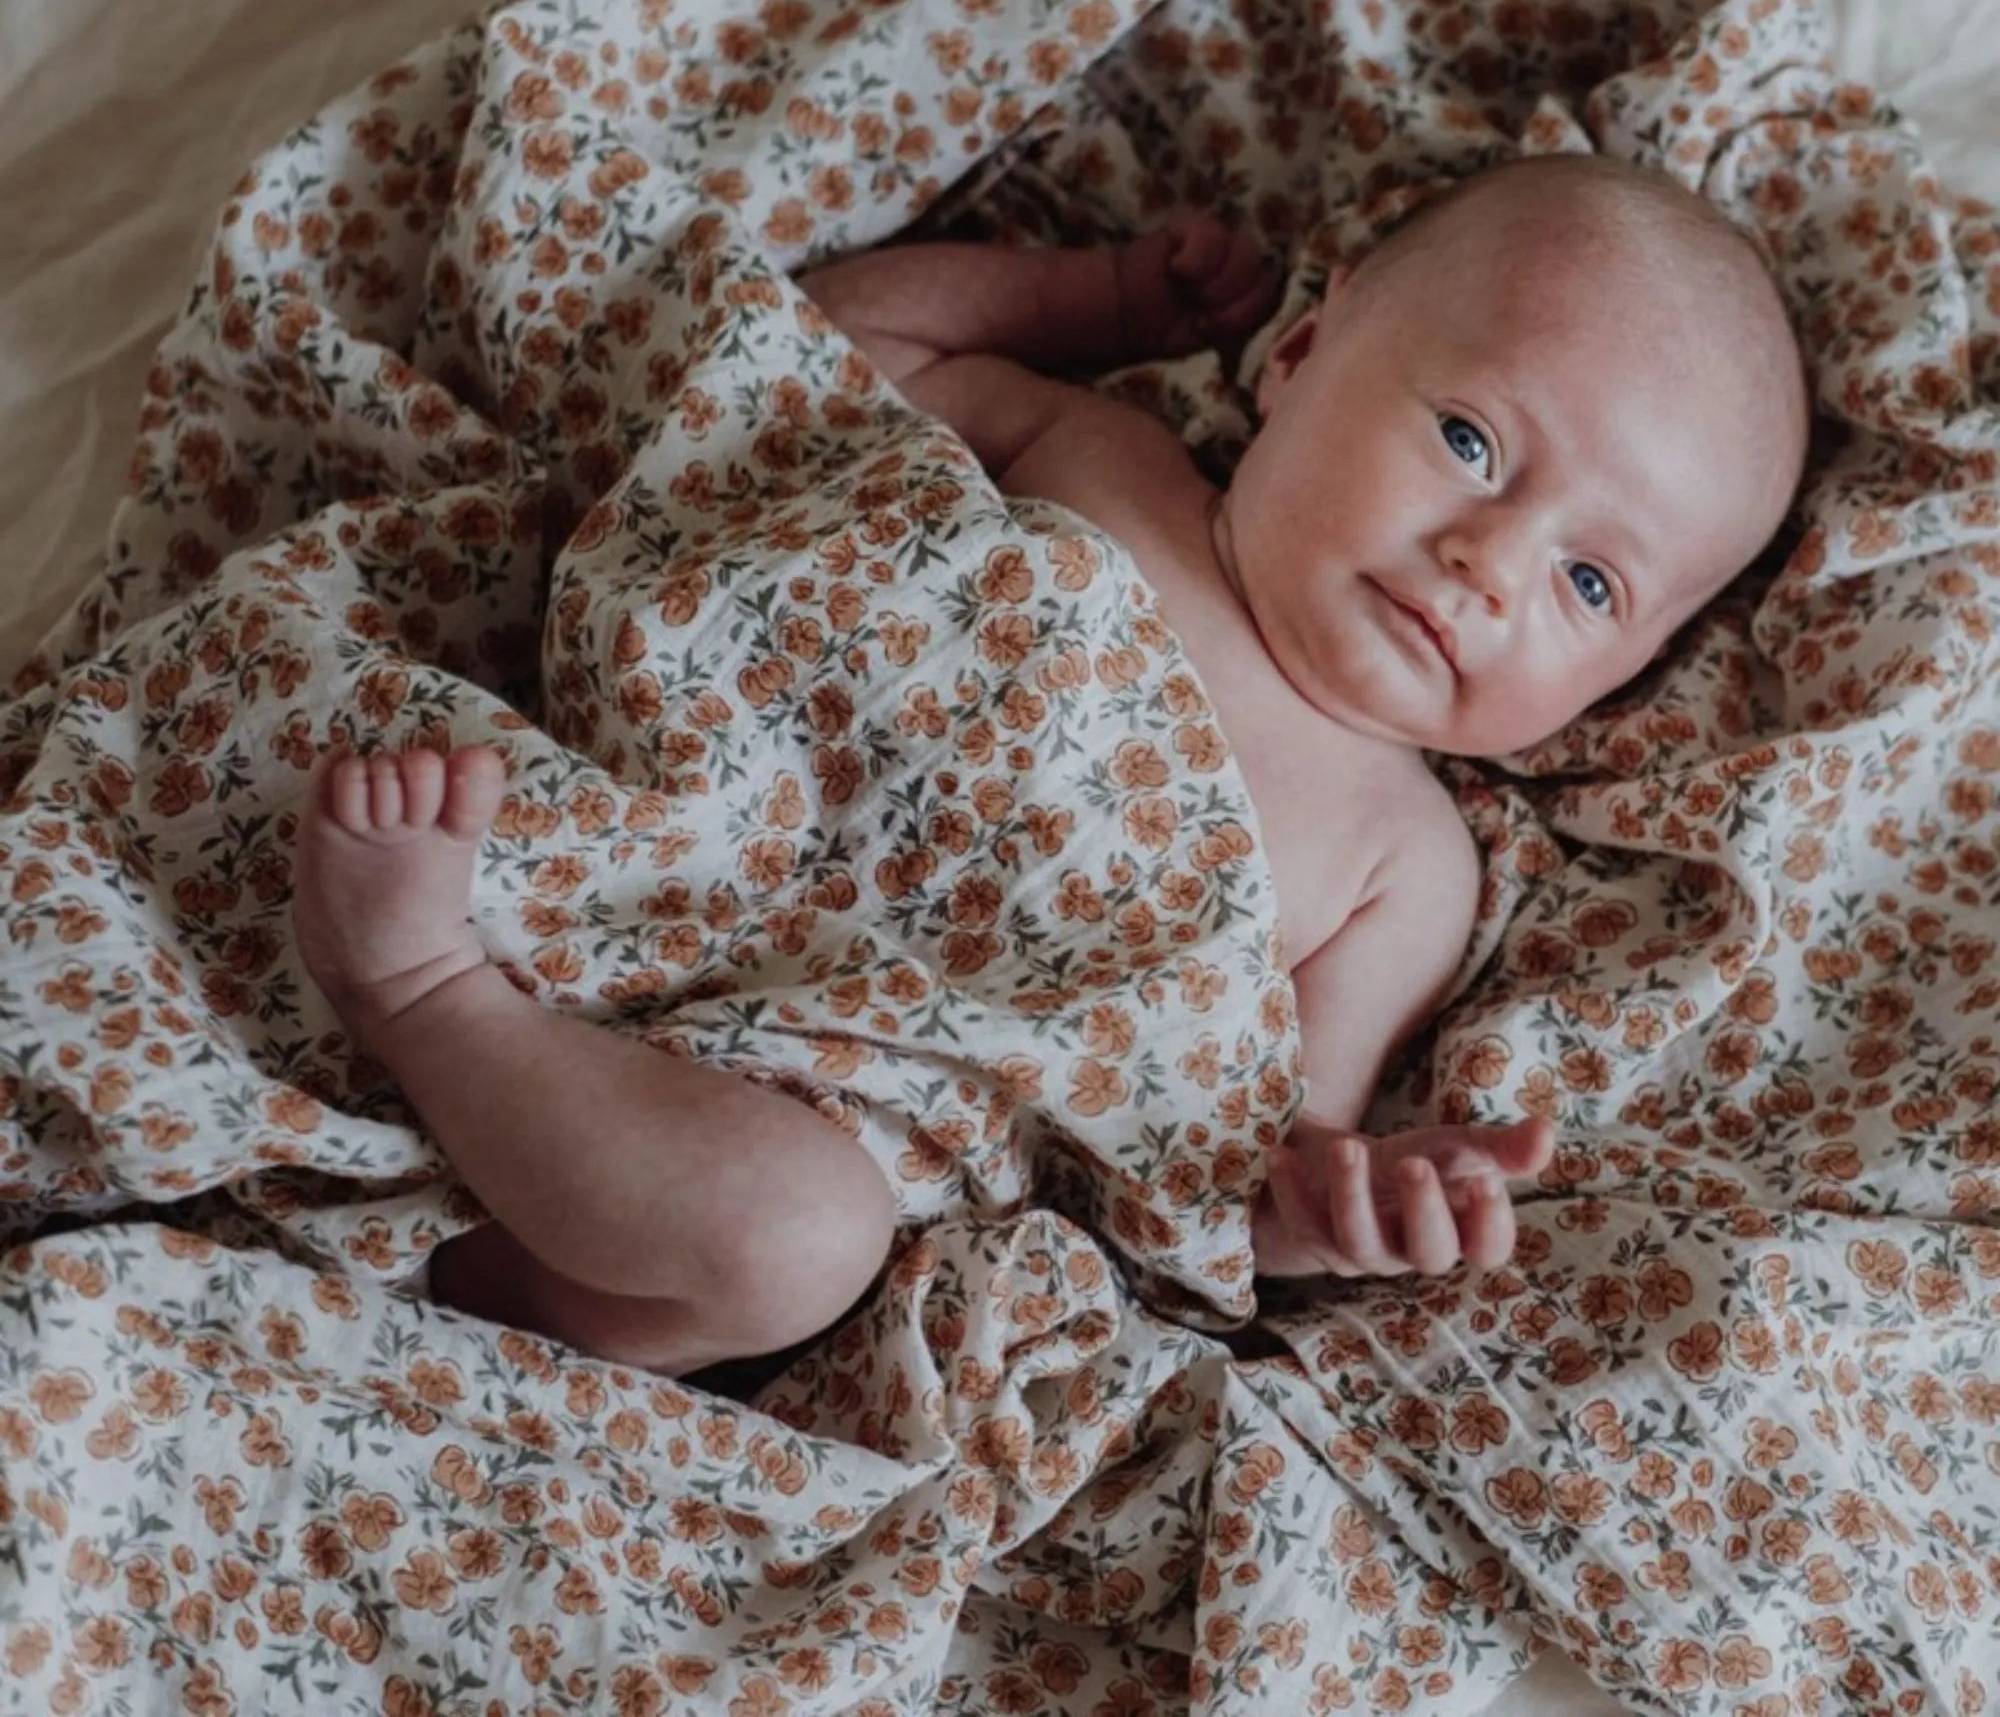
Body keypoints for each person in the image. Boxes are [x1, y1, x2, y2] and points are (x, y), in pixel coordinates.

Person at [292, 152, 1809, 1373]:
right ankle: (425, 1060)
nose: (1491, 562)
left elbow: (1231, 1169)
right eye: (1474, 442)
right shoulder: (1102, 456)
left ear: (1626, 678)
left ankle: (424, 1023)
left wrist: (1339, 1208)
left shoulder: (1406, 862)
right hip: (647, 835)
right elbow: (808, 362)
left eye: (1592, 586)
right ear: (1294, 350)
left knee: (789, 1246)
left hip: (791, 1112)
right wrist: (1085, 298)